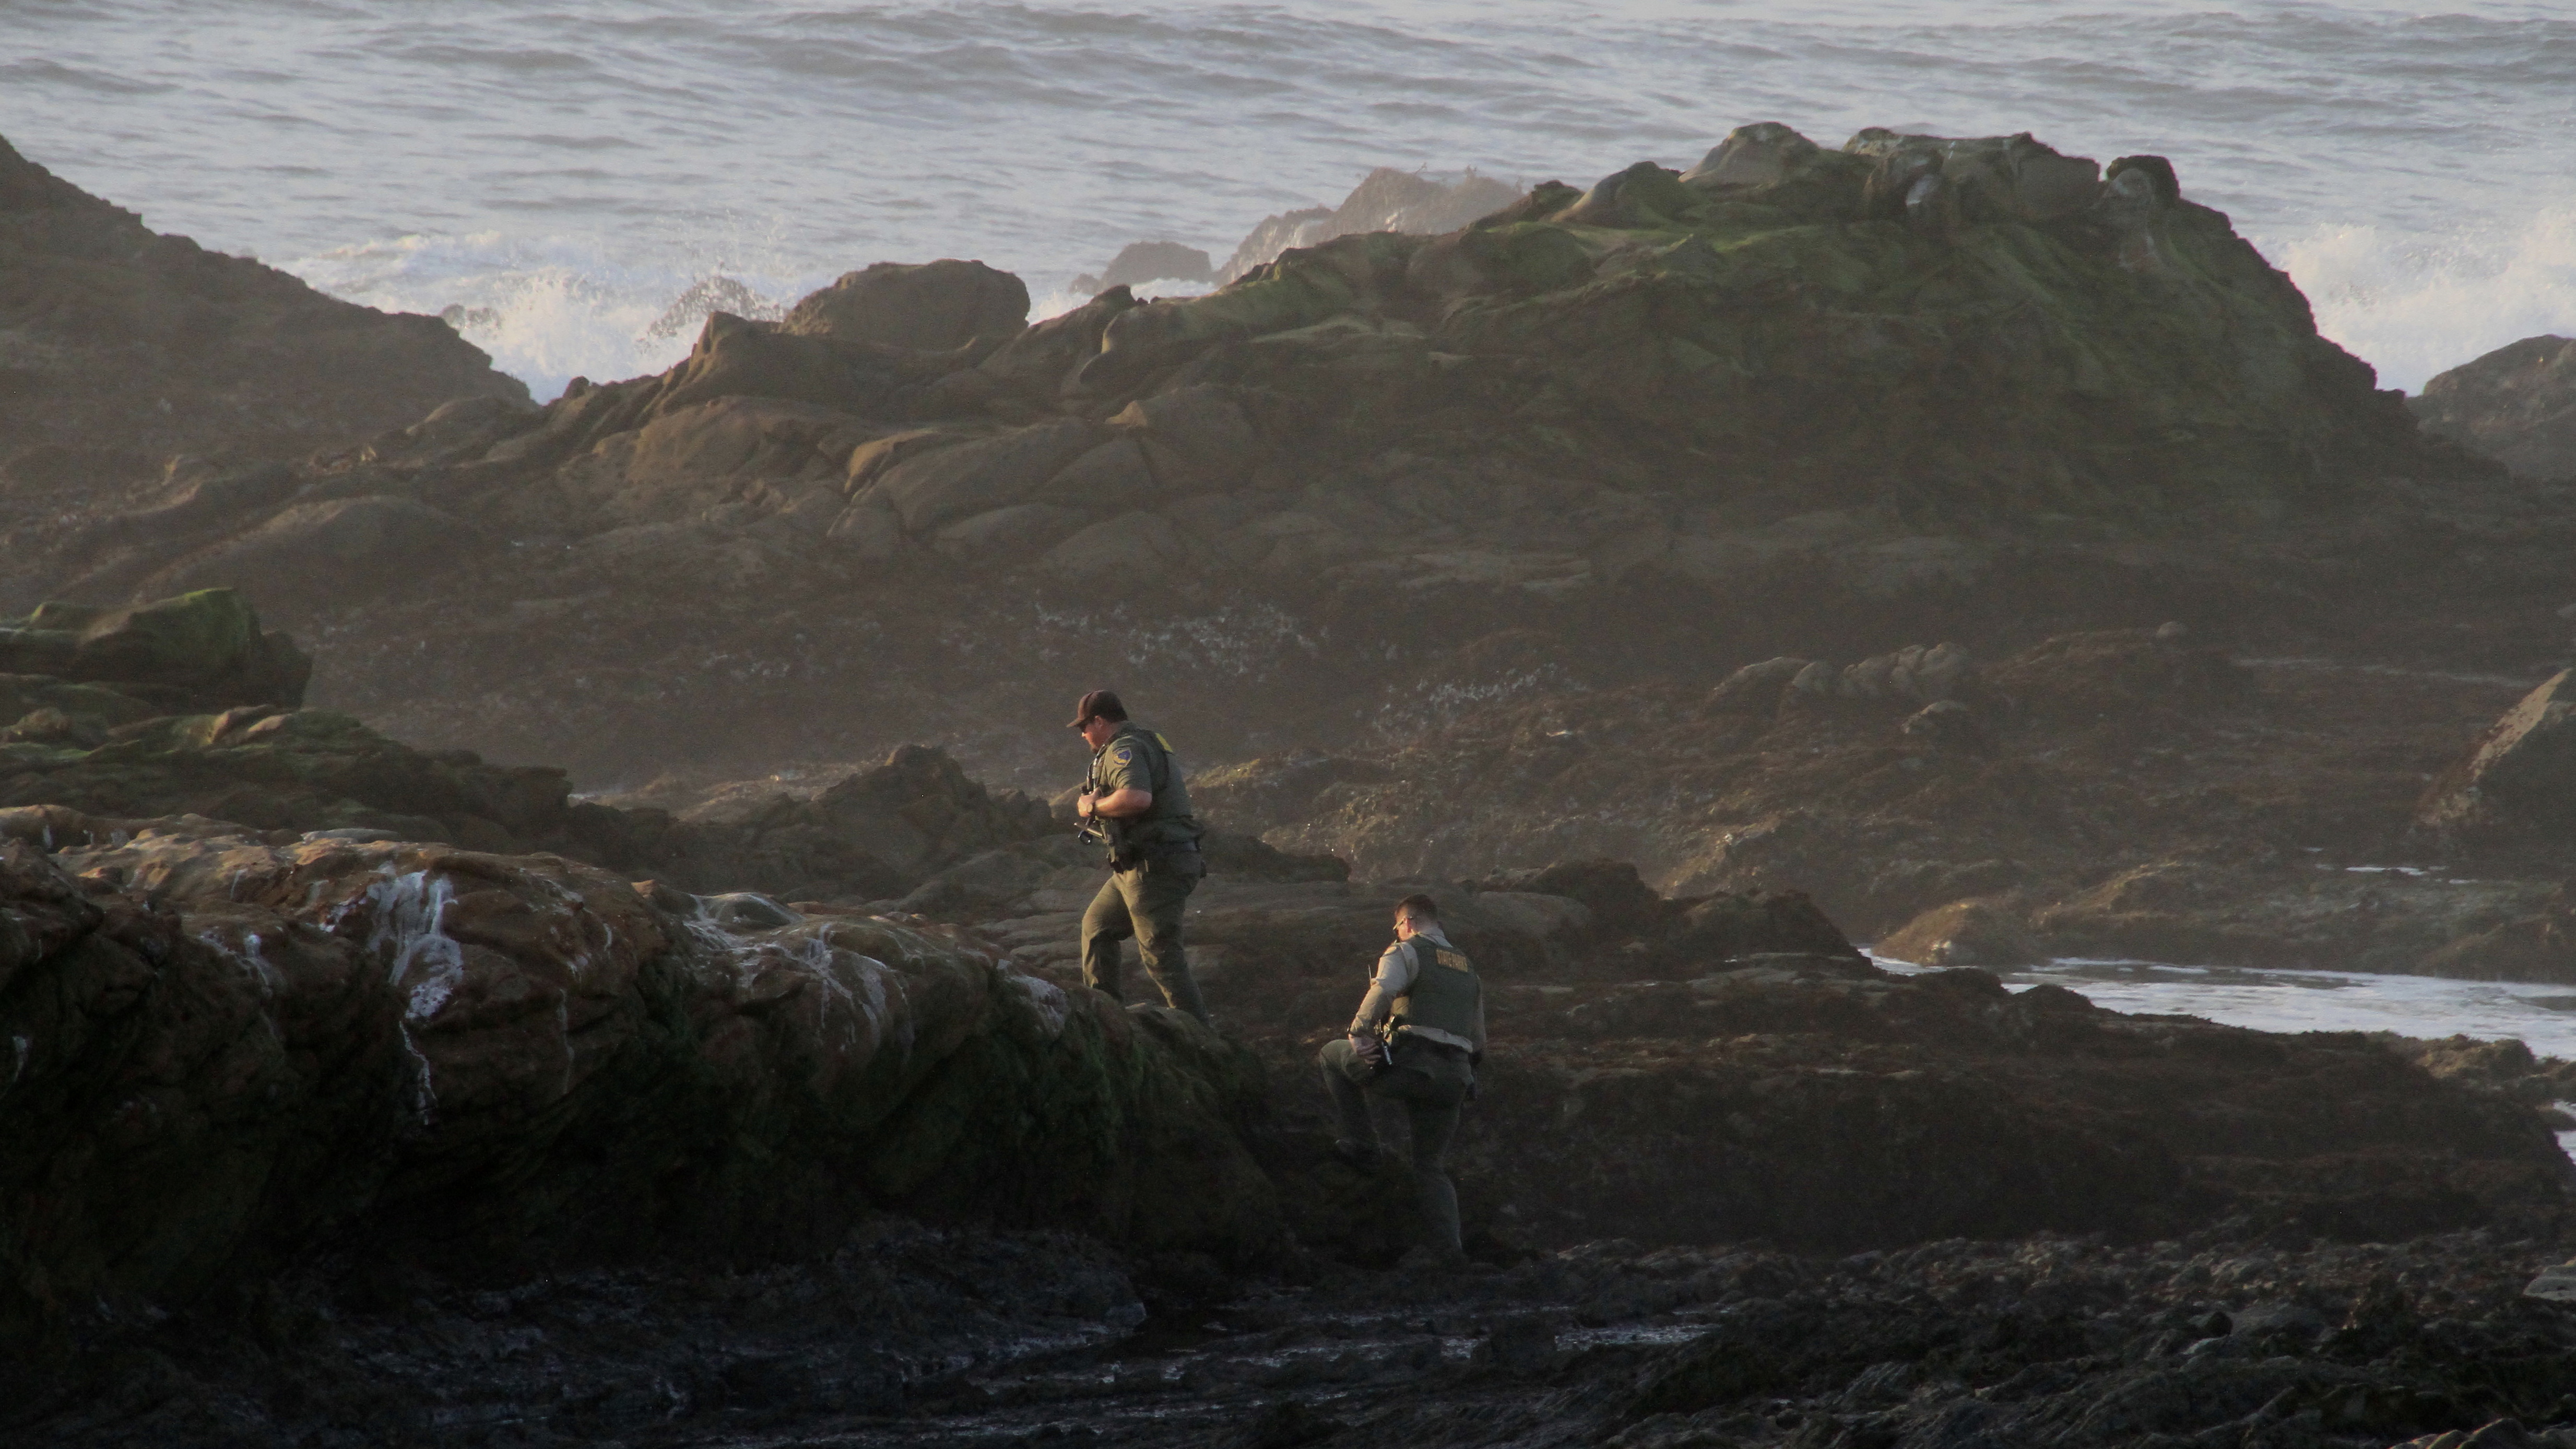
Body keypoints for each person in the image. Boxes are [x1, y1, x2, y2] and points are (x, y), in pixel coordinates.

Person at [1317, 893, 1486, 1260]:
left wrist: (1360, 1031)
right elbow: (1478, 1038)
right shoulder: (1468, 967)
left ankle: (1363, 1146)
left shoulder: (1406, 951)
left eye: (1397, 927)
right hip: (1455, 1079)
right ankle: (1451, 1254)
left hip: (1413, 1067)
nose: (1397, 932)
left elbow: (1384, 988)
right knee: (1430, 1167)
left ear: (1407, 922)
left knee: (1330, 1055)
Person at [1070, 689, 1212, 1028]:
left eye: (1084, 727)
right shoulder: (1146, 741)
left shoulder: (1125, 748)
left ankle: (1201, 1040)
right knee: (1097, 928)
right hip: (1136, 865)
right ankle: (1106, 1020)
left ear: (1099, 721)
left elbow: (1136, 798)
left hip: (1155, 866)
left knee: (1162, 957)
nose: (1082, 735)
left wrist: (1092, 807)